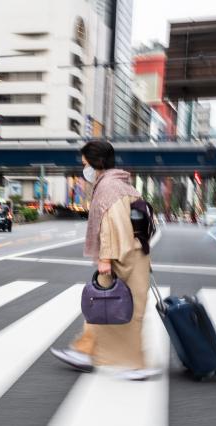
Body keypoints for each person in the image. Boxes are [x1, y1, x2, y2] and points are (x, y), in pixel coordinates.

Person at [50, 140, 158, 381]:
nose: (84, 168)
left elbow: (109, 225)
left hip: (121, 256)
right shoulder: (123, 183)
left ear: (96, 162)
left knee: (120, 309)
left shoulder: (107, 187)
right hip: (135, 253)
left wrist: (105, 259)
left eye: (85, 163)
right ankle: (85, 351)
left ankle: (134, 364)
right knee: (106, 306)